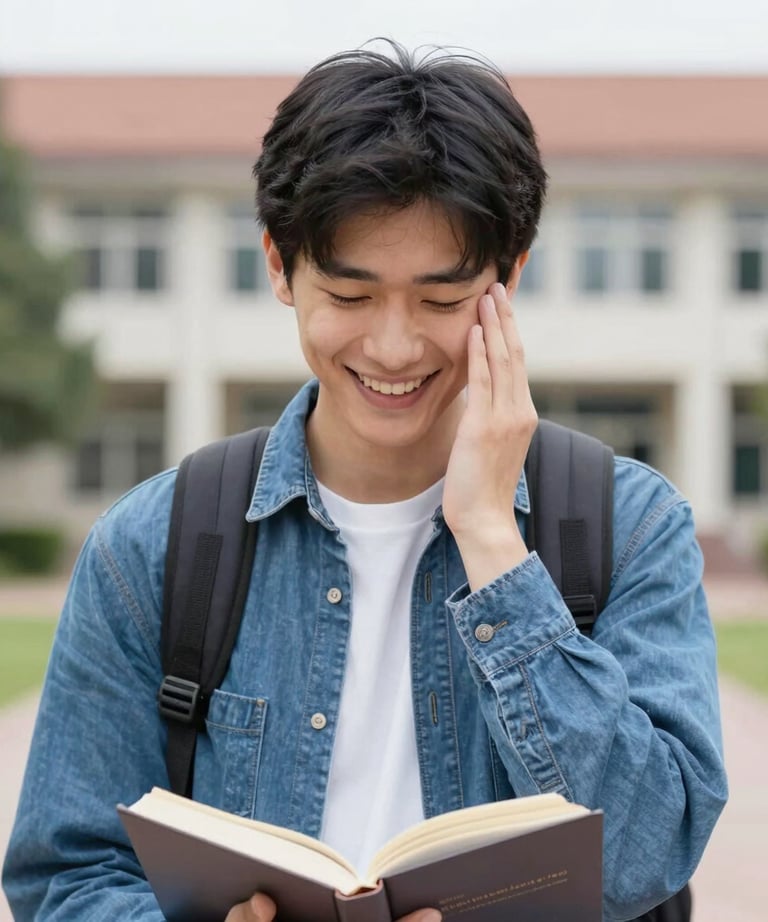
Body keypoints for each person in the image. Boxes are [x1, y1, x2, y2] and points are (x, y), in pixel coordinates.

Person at [3, 40, 727, 922]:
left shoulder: (629, 524)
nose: (392, 347)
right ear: (279, 265)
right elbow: (67, 876)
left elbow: (650, 855)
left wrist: (493, 543)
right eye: (350, 297)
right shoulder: (150, 545)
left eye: (441, 300)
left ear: (510, 275)